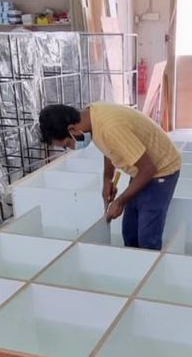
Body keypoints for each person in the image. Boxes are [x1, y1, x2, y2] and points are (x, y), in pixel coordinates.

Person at [38, 102, 181, 251]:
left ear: (72, 130)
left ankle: (150, 268)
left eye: (66, 144)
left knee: (147, 238)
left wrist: (120, 202)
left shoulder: (110, 128)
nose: (70, 148)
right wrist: (107, 179)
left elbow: (148, 169)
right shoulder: (91, 116)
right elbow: (110, 147)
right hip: (140, 169)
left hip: (161, 170)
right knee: (130, 232)